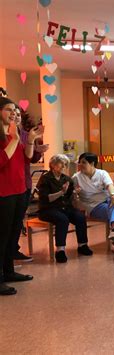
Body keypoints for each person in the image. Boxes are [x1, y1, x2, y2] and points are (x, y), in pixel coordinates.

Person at [0, 97, 43, 295]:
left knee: (12, 235)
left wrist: (31, 140)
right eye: (9, 110)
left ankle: (8, 272)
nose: (14, 113)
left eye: (16, 110)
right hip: (3, 192)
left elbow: (26, 157)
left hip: (19, 190)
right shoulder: (6, 135)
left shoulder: (15, 132)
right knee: (2, 236)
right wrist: (15, 138)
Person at [37, 154, 93, 263]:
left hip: (64, 207)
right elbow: (46, 198)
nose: (64, 166)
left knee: (80, 217)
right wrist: (61, 192)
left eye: (66, 164)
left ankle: (82, 245)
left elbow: (68, 197)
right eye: (61, 163)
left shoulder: (66, 179)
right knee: (63, 220)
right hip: (48, 209)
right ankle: (60, 250)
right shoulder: (45, 178)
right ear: (53, 165)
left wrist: (74, 193)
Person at [72, 152, 114, 254]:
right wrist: (75, 192)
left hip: (108, 201)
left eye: (84, 162)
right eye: (80, 163)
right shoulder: (76, 177)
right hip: (93, 206)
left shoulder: (102, 173)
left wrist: (113, 195)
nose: (80, 165)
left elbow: (109, 185)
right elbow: (71, 195)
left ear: (92, 163)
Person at [13, 107, 49, 262]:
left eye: (17, 113)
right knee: (9, 221)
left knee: (18, 218)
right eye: (11, 112)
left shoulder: (27, 134)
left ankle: (13, 250)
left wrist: (38, 150)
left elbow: (31, 158)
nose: (15, 116)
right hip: (10, 182)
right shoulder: (6, 135)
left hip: (25, 181)